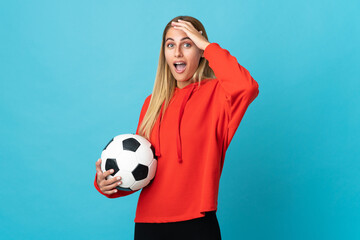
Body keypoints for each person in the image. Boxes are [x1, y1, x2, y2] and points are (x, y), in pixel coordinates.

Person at [94, 15, 259, 240]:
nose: (178, 53)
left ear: (200, 51)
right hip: (148, 224)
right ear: (164, 53)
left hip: (197, 222)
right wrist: (105, 183)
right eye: (170, 45)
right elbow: (139, 167)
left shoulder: (218, 96)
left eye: (187, 43)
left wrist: (208, 46)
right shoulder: (151, 104)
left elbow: (246, 87)